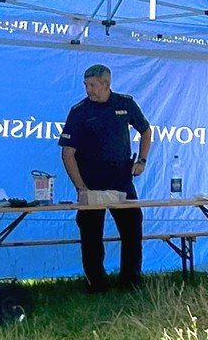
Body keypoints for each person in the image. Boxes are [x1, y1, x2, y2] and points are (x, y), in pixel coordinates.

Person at [59, 64, 152, 292]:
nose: (88, 90)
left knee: (132, 228)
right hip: (91, 182)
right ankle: (96, 284)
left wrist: (142, 160)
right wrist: (80, 187)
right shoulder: (79, 111)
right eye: (86, 85)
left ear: (106, 84)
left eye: (92, 85)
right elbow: (67, 153)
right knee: (91, 234)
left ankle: (130, 282)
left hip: (121, 180)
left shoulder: (124, 103)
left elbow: (146, 130)